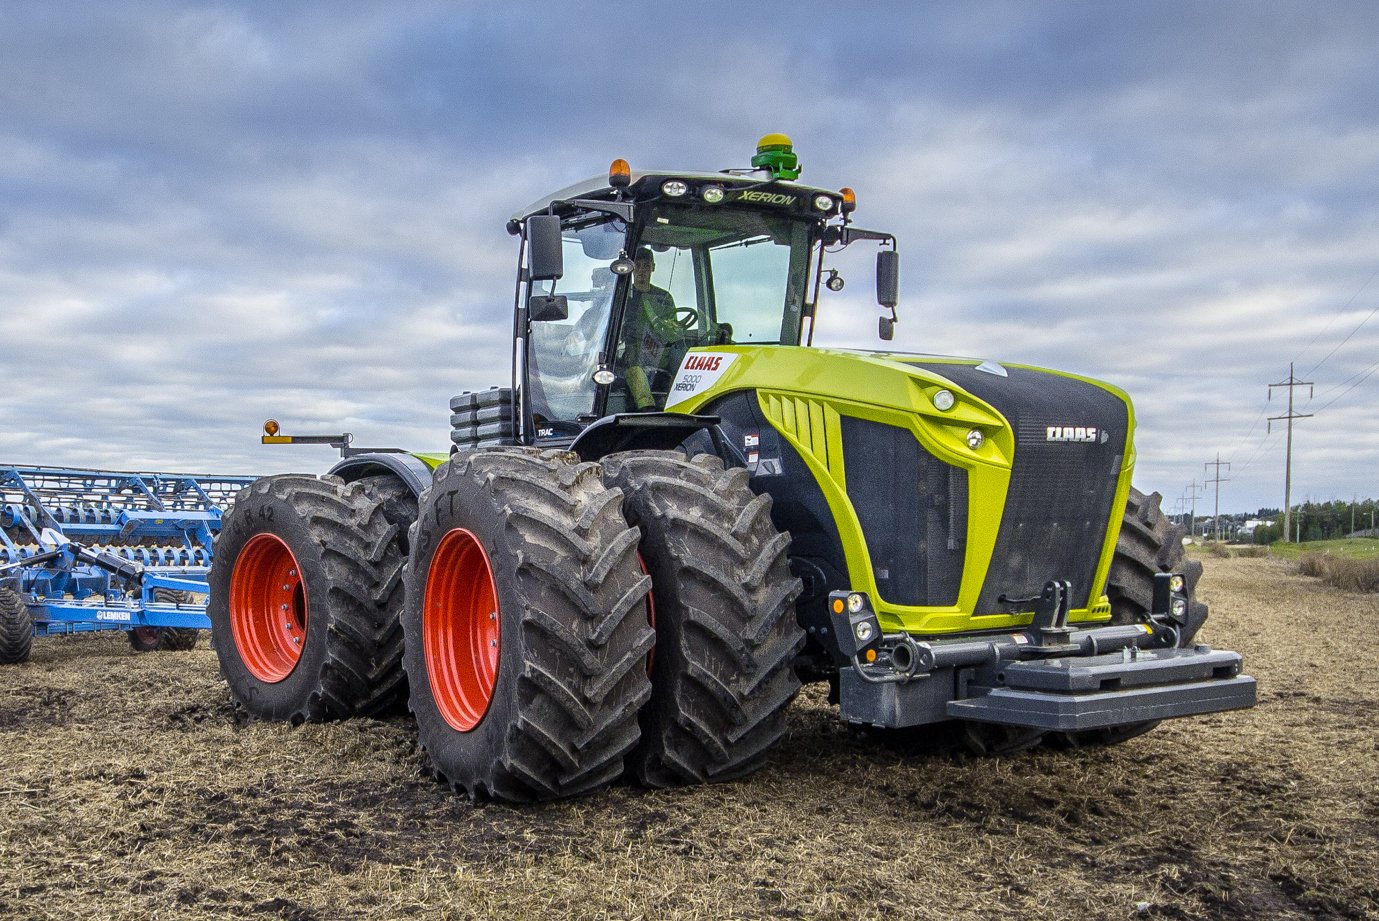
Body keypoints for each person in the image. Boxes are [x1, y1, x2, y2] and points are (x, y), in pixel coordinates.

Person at [620, 248, 685, 410]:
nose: (642, 271)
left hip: (659, 350)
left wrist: (669, 329)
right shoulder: (624, 296)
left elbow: (673, 329)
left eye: (646, 266)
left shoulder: (663, 297)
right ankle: (647, 407)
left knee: (680, 352)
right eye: (638, 266)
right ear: (632, 268)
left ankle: (677, 403)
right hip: (632, 350)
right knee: (633, 356)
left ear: (653, 268)